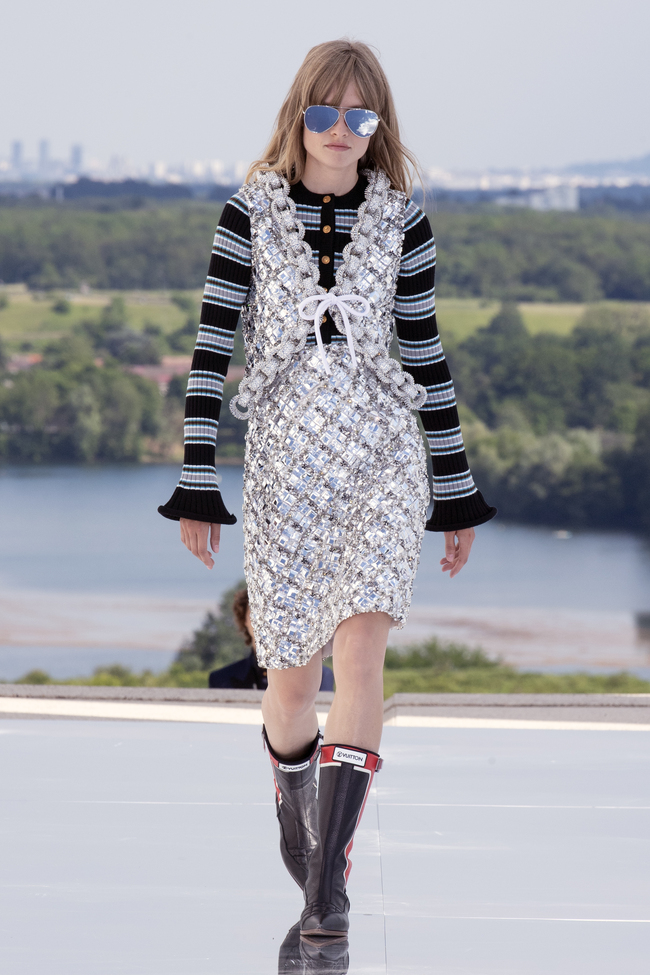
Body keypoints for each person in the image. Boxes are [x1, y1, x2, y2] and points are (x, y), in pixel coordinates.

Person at [159, 38, 496, 940]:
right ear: (298, 115)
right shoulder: (248, 212)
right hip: (284, 465)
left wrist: (455, 490)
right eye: (324, 112)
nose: (340, 129)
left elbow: (423, 353)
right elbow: (211, 349)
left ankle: (327, 882)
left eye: (359, 114)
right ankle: (292, 795)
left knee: (362, 655)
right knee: (292, 681)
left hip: (384, 458)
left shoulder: (404, 219)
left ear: (378, 123)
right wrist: (198, 479)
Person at [208, 587, 334, 691]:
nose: (264, 620)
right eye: (256, 611)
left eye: (272, 612)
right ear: (244, 619)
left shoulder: (322, 676)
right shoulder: (221, 679)